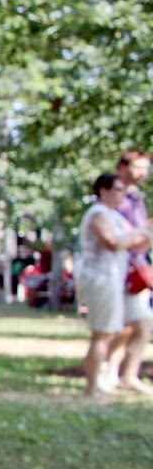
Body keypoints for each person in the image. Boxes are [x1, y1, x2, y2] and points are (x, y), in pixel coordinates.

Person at [78, 172, 153, 398]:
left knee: (140, 323)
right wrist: (136, 234)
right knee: (102, 333)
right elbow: (112, 243)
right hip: (101, 278)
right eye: (118, 189)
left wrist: (143, 234)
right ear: (104, 190)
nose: (123, 194)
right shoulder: (98, 214)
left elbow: (136, 244)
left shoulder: (116, 216)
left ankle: (125, 376)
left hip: (119, 278)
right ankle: (92, 386)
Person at [105, 148, 153, 393]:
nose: (144, 173)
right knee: (127, 326)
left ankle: (120, 374)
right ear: (123, 167)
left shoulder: (136, 197)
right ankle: (110, 371)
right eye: (139, 167)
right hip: (120, 270)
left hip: (137, 266)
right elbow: (118, 237)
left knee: (136, 325)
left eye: (147, 168)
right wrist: (141, 235)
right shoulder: (114, 198)